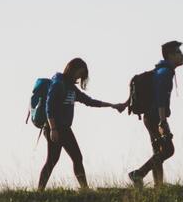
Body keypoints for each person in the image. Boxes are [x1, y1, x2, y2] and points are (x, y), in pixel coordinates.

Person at [39, 57, 125, 190]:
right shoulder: (58, 83)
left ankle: (85, 189)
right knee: (55, 160)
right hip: (55, 128)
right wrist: (53, 128)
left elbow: (89, 101)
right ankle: (41, 191)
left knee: (74, 158)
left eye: (82, 74)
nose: (80, 77)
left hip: (64, 129)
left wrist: (112, 105)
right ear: (72, 69)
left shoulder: (71, 87)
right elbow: (48, 107)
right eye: (80, 73)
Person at [128, 40, 183, 187]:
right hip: (155, 117)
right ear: (170, 55)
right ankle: (138, 174)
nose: (182, 55)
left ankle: (158, 186)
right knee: (168, 150)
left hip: (151, 116)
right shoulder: (165, 73)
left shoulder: (162, 71)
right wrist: (162, 121)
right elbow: (160, 98)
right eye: (179, 52)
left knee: (158, 151)